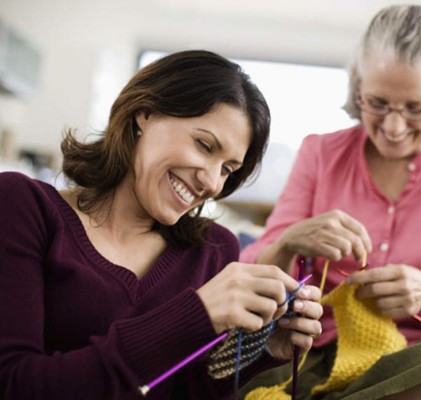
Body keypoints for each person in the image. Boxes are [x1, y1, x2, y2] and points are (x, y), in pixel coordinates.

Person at [239, 5, 421, 400]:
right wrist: (290, 240)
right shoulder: (320, 154)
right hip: (310, 350)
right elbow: (252, 275)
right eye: (376, 102)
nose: (393, 127)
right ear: (358, 84)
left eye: (416, 108)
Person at [0, 50, 323, 400]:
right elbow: (15, 384)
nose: (213, 182)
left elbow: (182, 390)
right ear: (145, 114)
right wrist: (195, 315)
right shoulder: (22, 206)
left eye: (228, 169)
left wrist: (261, 352)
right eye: (204, 145)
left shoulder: (213, 251)